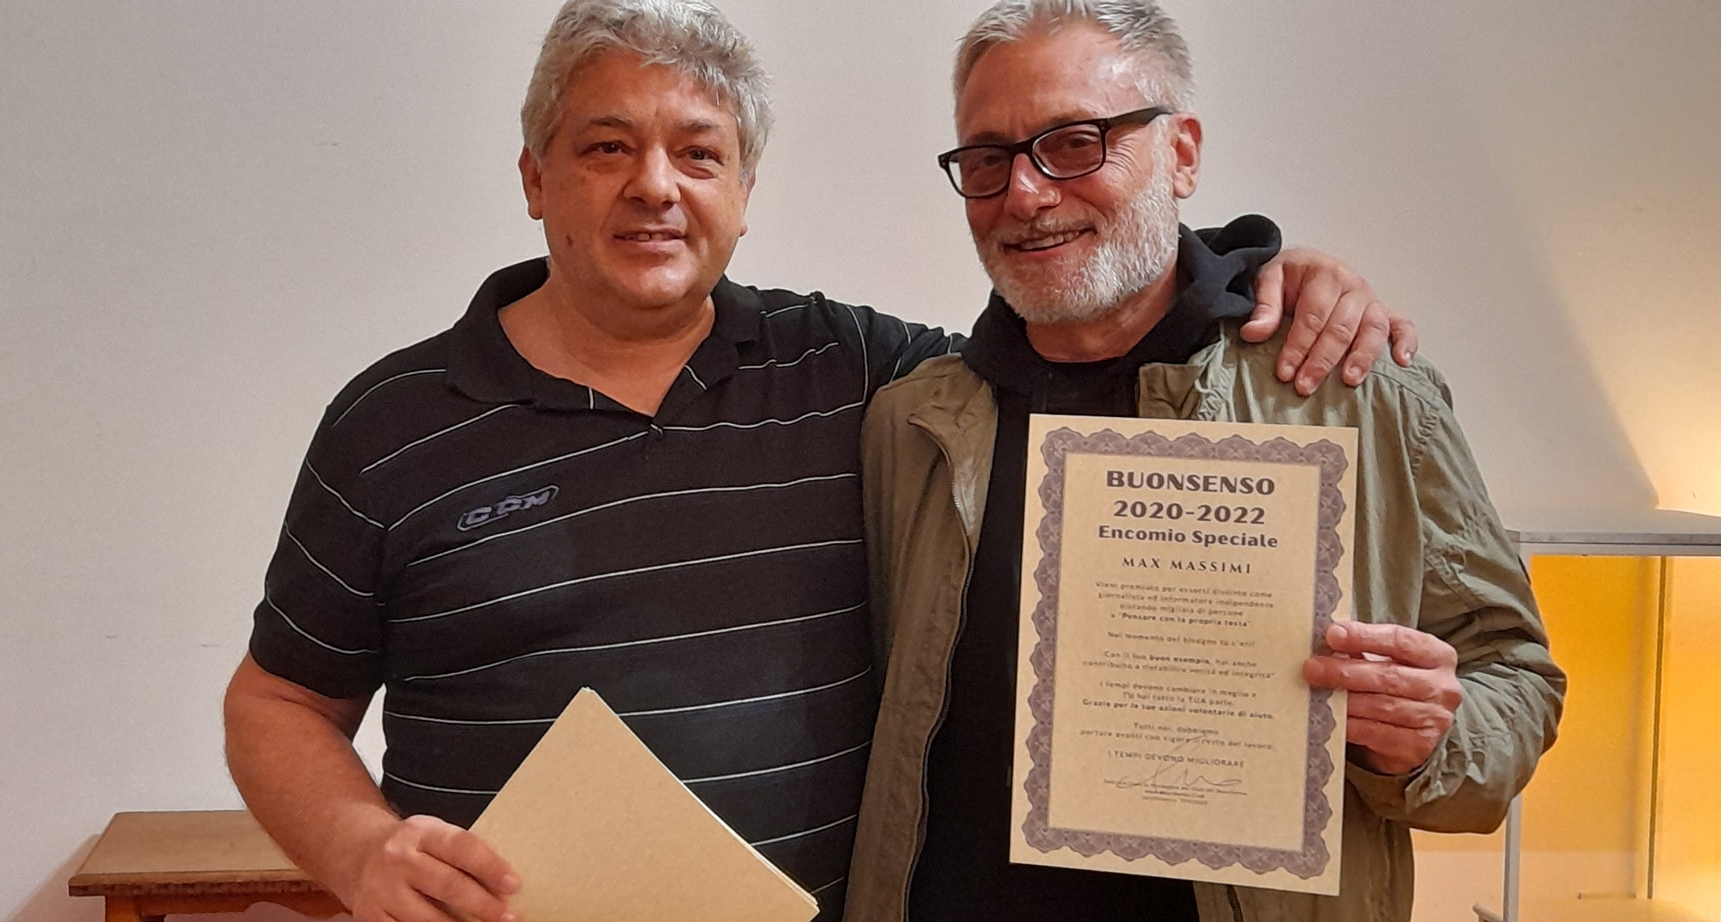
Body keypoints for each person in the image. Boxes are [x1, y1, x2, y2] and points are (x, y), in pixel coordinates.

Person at [219, 2, 1413, 922]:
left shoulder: (858, 374)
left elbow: (1079, 343)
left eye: (698, 154)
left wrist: (1252, 279)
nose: (653, 186)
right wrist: (358, 849)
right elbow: (277, 702)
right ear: (534, 178)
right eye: (604, 146)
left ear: (743, 193)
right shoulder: (391, 422)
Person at [843, 2, 1565, 921]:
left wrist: (1430, 739)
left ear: (1181, 154)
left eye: (1075, 143)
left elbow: (1516, 680)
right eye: (989, 159)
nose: (1025, 194)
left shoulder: (1357, 393)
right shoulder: (910, 427)